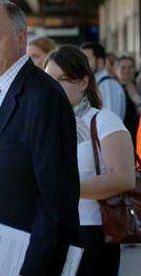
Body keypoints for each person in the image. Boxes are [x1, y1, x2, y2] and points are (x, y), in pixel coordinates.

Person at [0, 1, 80, 275]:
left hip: (24, 262)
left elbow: (56, 201)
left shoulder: (43, 96)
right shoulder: (0, 93)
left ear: (21, 38)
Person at [44, 45, 135, 276]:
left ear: (83, 82)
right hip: (51, 229)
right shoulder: (45, 125)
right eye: (48, 79)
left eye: (61, 79)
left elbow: (124, 178)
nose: (53, 86)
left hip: (93, 231)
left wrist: (67, 189)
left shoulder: (104, 120)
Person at [80, 42, 126, 120]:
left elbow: (111, 121)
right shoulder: (98, 84)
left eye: (87, 59)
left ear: (100, 62)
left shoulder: (108, 85)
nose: (82, 63)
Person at [115, 55, 141, 143]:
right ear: (116, 70)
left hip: (136, 138)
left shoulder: (139, 88)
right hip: (119, 137)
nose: (127, 71)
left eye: (130, 67)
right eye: (123, 68)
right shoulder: (113, 89)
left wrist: (136, 98)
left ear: (134, 70)